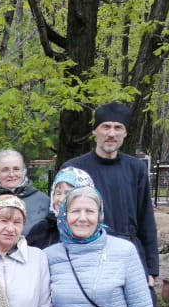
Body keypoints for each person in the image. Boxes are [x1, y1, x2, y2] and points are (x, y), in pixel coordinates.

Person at [58, 102, 158, 285]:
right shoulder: (74, 168)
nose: (111, 133)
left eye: (118, 128)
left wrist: (151, 268)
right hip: (86, 253)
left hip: (130, 252)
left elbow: (146, 219)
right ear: (95, 131)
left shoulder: (136, 169)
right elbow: (60, 217)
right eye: (106, 127)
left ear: (125, 133)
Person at [24, 166, 94, 250]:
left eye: (68, 193)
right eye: (58, 193)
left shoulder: (94, 230)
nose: (61, 199)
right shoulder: (42, 230)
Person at [0, 149, 48, 232]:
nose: (11, 174)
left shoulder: (43, 200)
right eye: (5, 170)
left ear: (23, 171)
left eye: (16, 169)